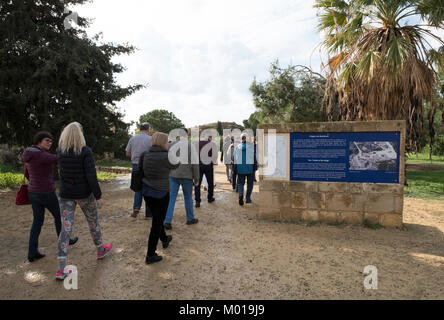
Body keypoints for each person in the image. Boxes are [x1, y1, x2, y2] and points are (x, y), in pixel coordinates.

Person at [55, 122, 112, 280]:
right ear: (80, 135)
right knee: (93, 222)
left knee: (65, 229)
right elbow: (91, 175)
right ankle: (100, 249)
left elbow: (62, 174)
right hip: (85, 194)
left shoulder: (60, 151)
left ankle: (61, 268)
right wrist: (98, 194)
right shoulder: (85, 151)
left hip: (66, 195)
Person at [22, 132, 78, 263]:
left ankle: (32, 252)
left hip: (33, 192)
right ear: (39, 141)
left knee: (37, 221)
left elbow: (28, 173)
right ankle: (65, 240)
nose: (49, 143)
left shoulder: (29, 153)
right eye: (47, 140)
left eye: (51, 141)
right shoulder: (40, 154)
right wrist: (71, 148)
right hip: (45, 192)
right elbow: (58, 158)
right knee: (60, 216)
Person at [141, 132, 180, 264]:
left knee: (158, 217)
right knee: (157, 223)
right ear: (164, 142)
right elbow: (176, 164)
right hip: (161, 192)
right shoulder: (167, 156)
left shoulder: (144, 155)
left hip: (146, 191)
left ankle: (164, 239)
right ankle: (150, 254)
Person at [163, 129, 199, 230]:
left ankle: (167, 221)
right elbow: (195, 164)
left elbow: (166, 160)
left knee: (171, 198)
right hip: (187, 176)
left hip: (173, 175)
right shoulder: (190, 146)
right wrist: (196, 179)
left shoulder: (170, 145)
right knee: (188, 198)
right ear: (187, 135)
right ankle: (190, 218)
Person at [126, 122, 153, 219]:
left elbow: (127, 153)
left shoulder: (132, 138)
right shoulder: (150, 139)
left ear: (140, 129)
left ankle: (136, 208)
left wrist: (134, 155)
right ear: (148, 129)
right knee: (148, 188)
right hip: (147, 166)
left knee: (138, 188)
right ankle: (148, 214)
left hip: (136, 166)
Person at [194, 135, 218, 207]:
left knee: (197, 183)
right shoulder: (211, 144)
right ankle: (210, 198)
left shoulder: (196, 144)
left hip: (199, 164)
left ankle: (197, 201)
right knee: (210, 183)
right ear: (208, 138)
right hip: (208, 165)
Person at [234, 133, 256, 205]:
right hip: (249, 168)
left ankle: (241, 194)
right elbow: (254, 158)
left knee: (240, 183)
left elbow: (234, 159)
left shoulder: (237, 147)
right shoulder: (251, 147)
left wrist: (236, 167)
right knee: (250, 184)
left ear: (241, 139)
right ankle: (248, 198)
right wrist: (255, 167)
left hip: (240, 168)